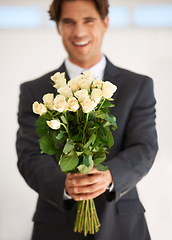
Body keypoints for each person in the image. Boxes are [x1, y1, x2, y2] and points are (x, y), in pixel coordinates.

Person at [16, 0, 158, 239]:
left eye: (88, 21)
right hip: (55, 225)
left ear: (105, 23)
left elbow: (144, 147)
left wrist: (110, 175)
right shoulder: (35, 91)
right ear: (59, 27)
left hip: (123, 226)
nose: (79, 32)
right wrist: (64, 184)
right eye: (68, 22)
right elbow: (29, 155)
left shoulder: (138, 86)